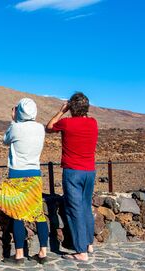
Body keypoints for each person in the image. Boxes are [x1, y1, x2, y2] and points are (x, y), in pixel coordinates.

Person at [0, 98, 49, 265]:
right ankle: (43, 252)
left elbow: (5, 140)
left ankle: (19, 255)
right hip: (35, 175)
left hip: (17, 175)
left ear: (19, 111)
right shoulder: (40, 128)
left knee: (17, 214)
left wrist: (13, 119)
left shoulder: (15, 127)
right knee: (38, 213)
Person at [46, 92, 98, 262]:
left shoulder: (67, 123)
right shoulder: (92, 123)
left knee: (74, 210)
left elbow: (49, 127)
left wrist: (62, 111)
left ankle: (81, 251)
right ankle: (89, 244)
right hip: (90, 171)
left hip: (72, 172)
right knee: (85, 206)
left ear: (71, 108)